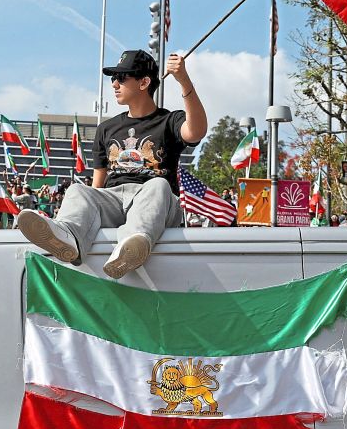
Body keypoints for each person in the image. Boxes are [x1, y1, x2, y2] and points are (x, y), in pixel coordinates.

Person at [16, 50, 207, 279]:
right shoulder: (106, 129)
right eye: (113, 78)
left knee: (158, 185)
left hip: (155, 201)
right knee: (78, 190)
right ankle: (69, 236)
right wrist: (86, 207)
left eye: (122, 78)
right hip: (114, 199)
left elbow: (196, 131)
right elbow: (98, 184)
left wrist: (183, 80)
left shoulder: (169, 120)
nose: (114, 84)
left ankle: (132, 245)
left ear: (144, 82)